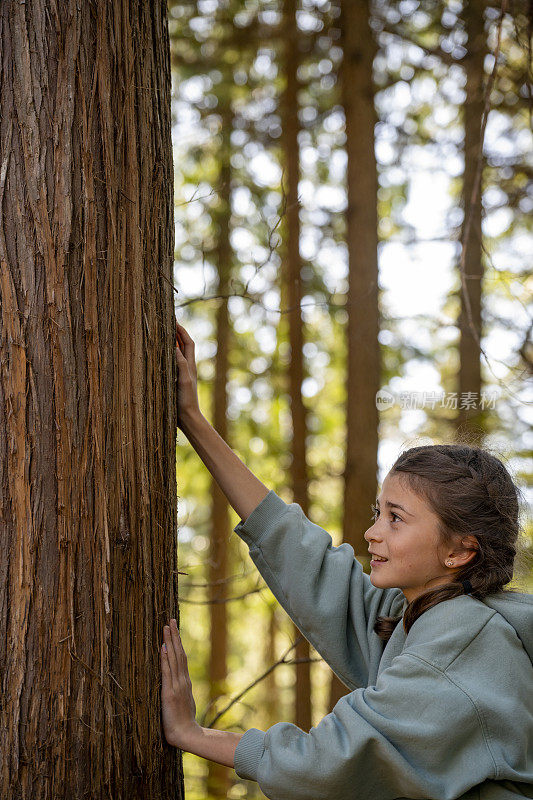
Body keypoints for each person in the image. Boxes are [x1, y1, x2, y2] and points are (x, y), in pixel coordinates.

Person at [160, 321, 533, 800]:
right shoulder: (417, 616)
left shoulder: (460, 640)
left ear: (460, 549)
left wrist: (193, 734)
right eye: (378, 512)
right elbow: (307, 564)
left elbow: (329, 765)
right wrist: (192, 419)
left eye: (396, 519)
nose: (372, 531)